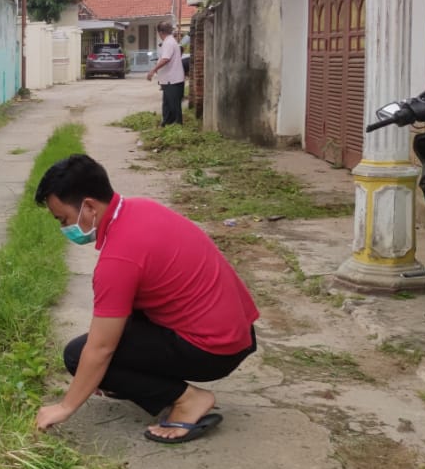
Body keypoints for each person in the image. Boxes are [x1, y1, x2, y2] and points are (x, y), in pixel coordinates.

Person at [33, 155, 258, 444]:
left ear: (89, 206)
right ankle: (140, 383)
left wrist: (65, 407)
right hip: (238, 332)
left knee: (79, 355)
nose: (64, 228)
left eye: (63, 219)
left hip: (214, 350)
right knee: (109, 344)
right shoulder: (140, 208)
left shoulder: (119, 258)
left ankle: (189, 400)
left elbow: (100, 349)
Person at [147, 20, 185, 126]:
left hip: (172, 80)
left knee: (173, 106)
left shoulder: (168, 42)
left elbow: (165, 59)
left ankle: (176, 126)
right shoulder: (171, 41)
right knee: (167, 105)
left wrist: (153, 70)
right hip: (170, 80)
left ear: (160, 32)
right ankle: (166, 124)